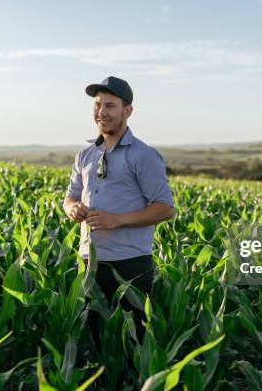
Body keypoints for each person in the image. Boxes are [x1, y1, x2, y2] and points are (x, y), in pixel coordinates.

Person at [63, 76, 175, 346]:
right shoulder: (85, 154)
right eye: (97, 105)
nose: (101, 112)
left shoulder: (143, 155)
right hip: (90, 263)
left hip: (130, 265)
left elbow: (165, 209)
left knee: (134, 343)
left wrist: (118, 220)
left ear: (127, 111)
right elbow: (69, 199)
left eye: (110, 106)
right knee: (94, 341)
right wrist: (72, 209)